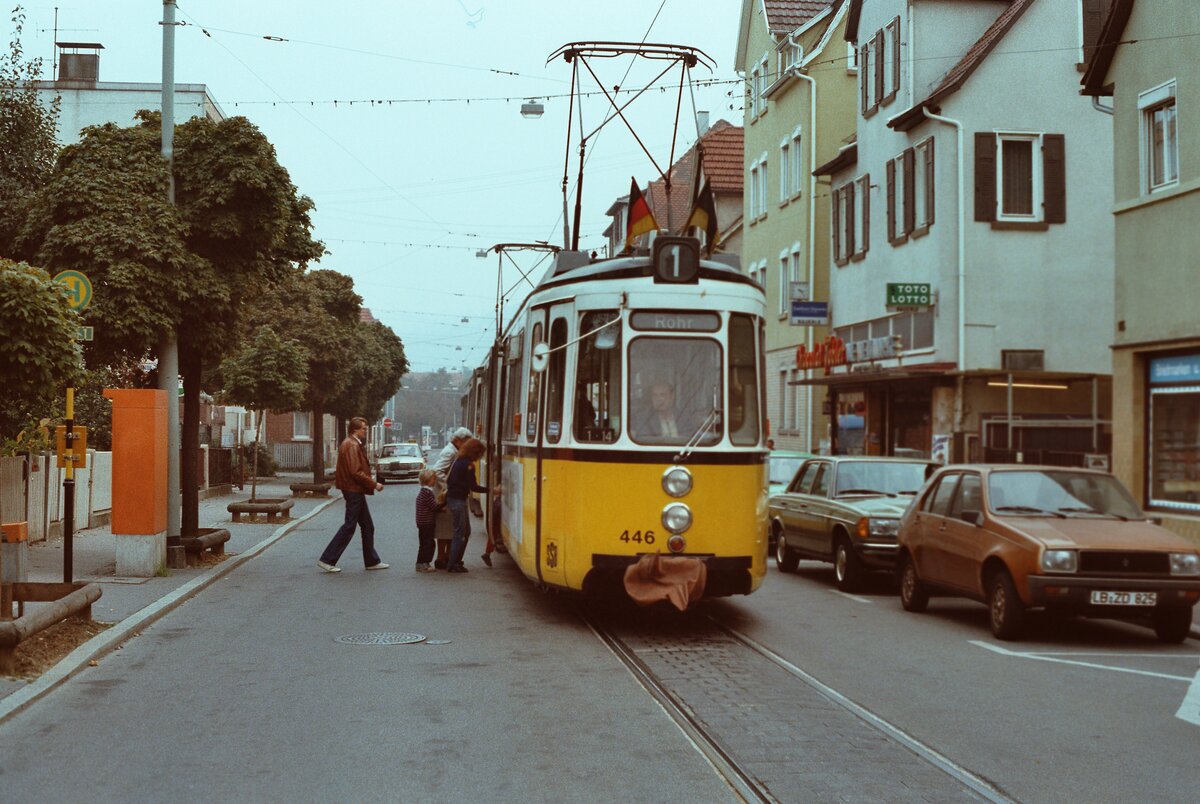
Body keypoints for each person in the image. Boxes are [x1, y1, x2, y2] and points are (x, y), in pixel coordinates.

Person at [318, 417, 388, 572]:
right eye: (364, 429)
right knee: (350, 526)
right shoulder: (351, 445)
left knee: (367, 526)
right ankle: (327, 559)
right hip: (353, 489)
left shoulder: (353, 443)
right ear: (355, 430)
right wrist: (374, 484)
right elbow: (355, 471)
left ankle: (371, 561)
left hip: (355, 489)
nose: (366, 431)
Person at [445, 437, 488, 573]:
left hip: (453, 499)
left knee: (465, 531)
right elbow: (473, 486)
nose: (480, 457)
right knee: (460, 533)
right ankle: (453, 563)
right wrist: (492, 490)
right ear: (475, 452)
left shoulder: (459, 460)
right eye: (479, 454)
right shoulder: (468, 464)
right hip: (458, 500)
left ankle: (455, 561)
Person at [432, 426, 472, 568]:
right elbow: (437, 471)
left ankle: (447, 556)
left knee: (450, 528)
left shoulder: (454, 450)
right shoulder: (450, 452)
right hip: (445, 495)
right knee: (447, 528)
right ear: (457, 440)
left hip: (447, 494)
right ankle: (443, 557)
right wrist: (450, 485)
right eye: (465, 441)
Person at [414, 468, 438, 572]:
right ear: (428, 480)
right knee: (429, 544)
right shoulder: (427, 493)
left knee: (423, 544)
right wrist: (443, 503)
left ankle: (419, 563)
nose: (435, 480)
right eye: (433, 479)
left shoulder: (422, 492)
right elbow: (434, 507)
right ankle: (425, 563)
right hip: (427, 522)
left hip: (421, 523)